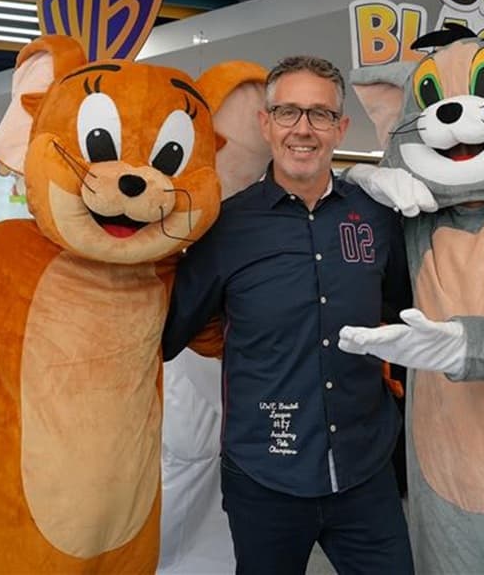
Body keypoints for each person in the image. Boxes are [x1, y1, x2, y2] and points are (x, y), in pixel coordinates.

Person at [162, 55, 414, 575]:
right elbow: (168, 330)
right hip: (264, 477)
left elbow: (400, 309)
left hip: (366, 472)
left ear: (340, 127)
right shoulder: (226, 227)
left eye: (320, 114)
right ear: (266, 123)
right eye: (287, 112)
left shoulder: (376, 217)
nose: (303, 128)